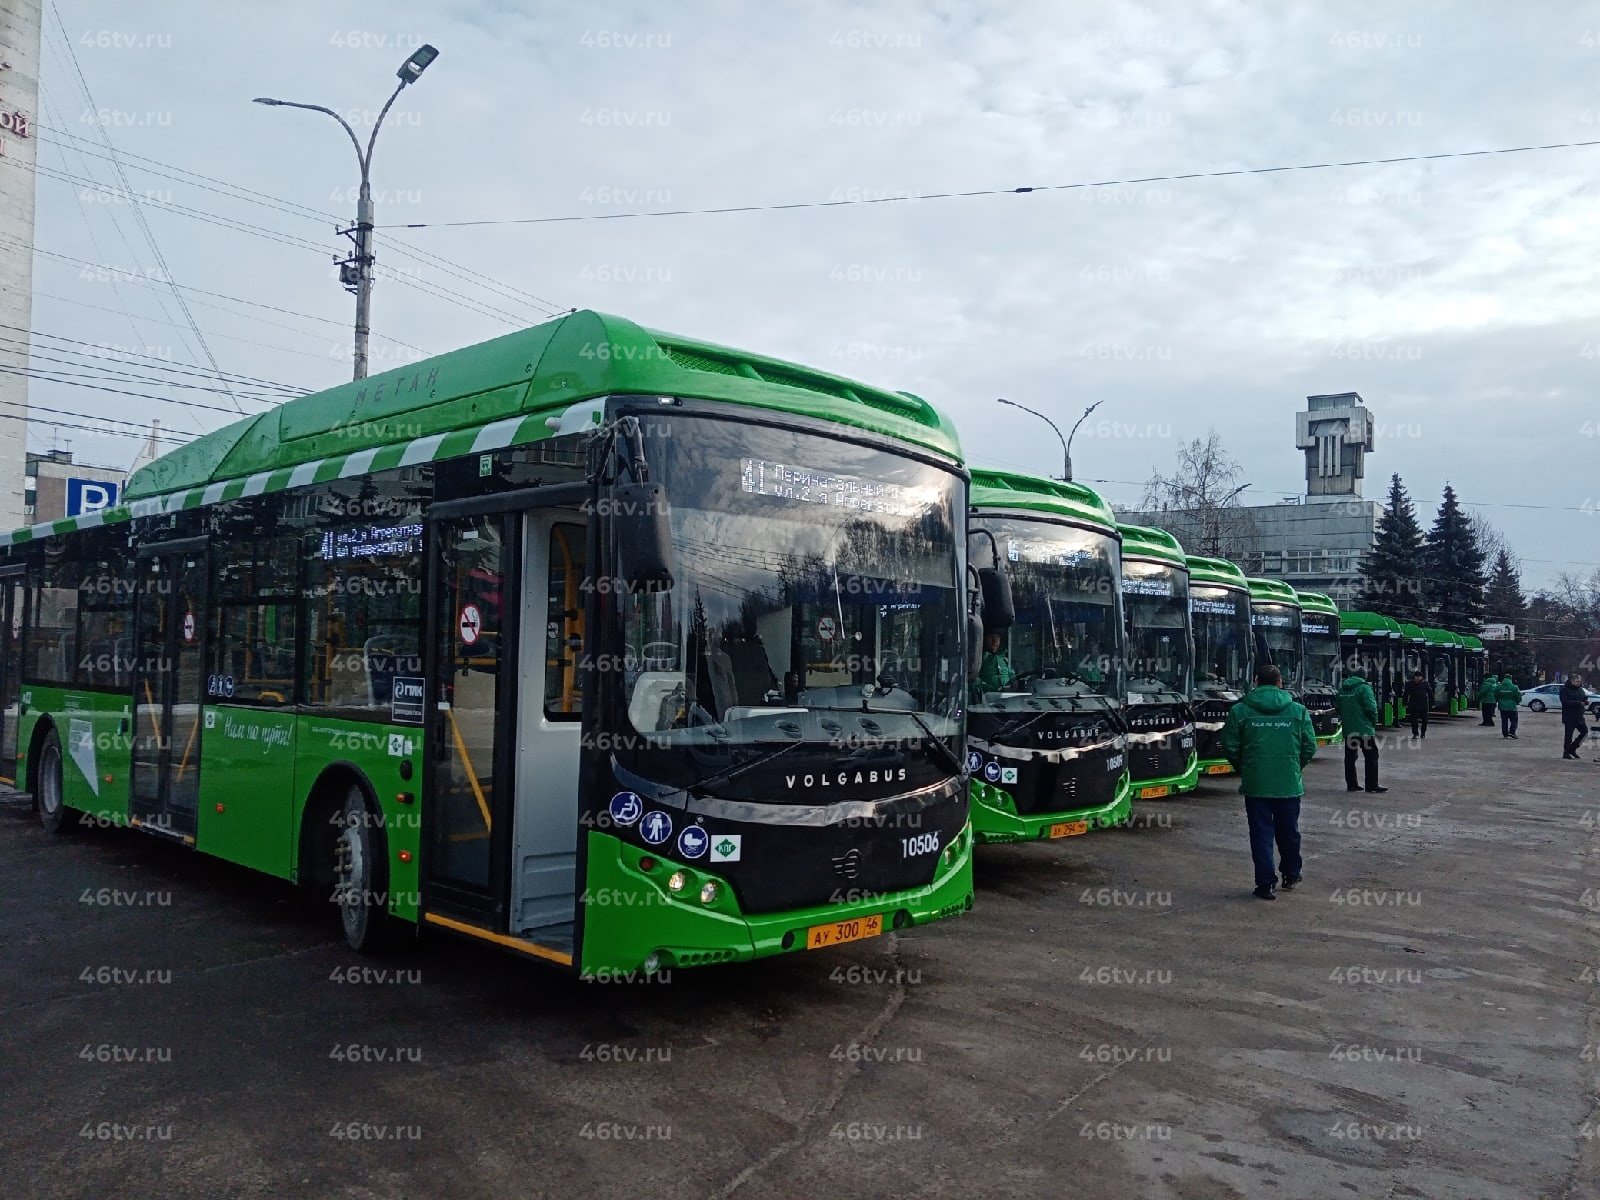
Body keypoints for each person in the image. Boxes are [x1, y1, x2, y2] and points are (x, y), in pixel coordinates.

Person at [1220, 663, 1317, 900]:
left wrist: (1245, 768)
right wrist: (1294, 767)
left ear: (1255, 681)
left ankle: (1265, 884)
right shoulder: (1297, 710)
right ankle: (1291, 873)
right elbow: (1309, 746)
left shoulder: (1240, 711)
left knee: (1261, 834)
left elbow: (1230, 746)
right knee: (1289, 832)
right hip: (1288, 784)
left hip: (1256, 784)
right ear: (1279, 682)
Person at [1336, 670, 1387, 794]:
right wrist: (1373, 723)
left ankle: (1352, 784)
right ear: (1364, 677)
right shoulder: (1364, 688)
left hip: (1349, 730)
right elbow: (1372, 708)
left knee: (1350, 757)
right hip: (1364, 730)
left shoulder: (1342, 689)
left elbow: (1338, 708)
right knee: (1371, 756)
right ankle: (1371, 784)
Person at [1560, 673, 1590, 760]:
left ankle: (1573, 748)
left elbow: (1584, 697)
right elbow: (1565, 702)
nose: (1579, 683)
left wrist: (1585, 701)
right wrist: (1579, 703)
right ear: (1571, 681)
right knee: (1568, 735)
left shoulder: (1580, 689)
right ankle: (1566, 752)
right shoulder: (1564, 690)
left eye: (1580, 681)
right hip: (1569, 716)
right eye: (1577, 681)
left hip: (1579, 716)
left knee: (1585, 732)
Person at [1404, 671, 1431, 740]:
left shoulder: (1425, 684)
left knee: (1424, 720)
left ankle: (1423, 733)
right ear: (1414, 677)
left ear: (1421, 677)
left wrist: (1432, 703)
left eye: (1419, 677)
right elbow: (1406, 694)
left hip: (1423, 704)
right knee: (1413, 720)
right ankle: (1415, 733)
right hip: (1413, 704)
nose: (1418, 678)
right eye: (1417, 677)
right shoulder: (1410, 684)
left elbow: (1430, 693)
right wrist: (1405, 703)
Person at [1496, 672, 1522, 738]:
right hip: (1512, 706)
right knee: (1514, 720)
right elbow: (1518, 697)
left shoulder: (1499, 687)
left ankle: (1505, 734)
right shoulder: (1514, 687)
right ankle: (1512, 732)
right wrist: (1517, 702)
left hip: (1502, 706)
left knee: (1504, 720)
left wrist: (1499, 701)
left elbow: (1495, 695)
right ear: (1510, 679)